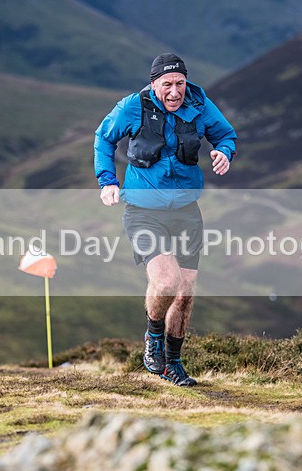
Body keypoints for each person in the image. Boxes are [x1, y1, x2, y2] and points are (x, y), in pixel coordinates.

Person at [94, 53, 237, 386]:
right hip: (143, 211)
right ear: (154, 83)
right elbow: (104, 137)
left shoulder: (200, 104)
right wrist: (107, 181)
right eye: (167, 85)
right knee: (167, 282)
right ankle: (152, 337)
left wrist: (223, 152)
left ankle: (173, 363)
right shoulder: (134, 106)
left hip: (186, 211)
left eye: (180, 84)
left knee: (186, 293)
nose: (175, 92)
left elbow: (226, 135)